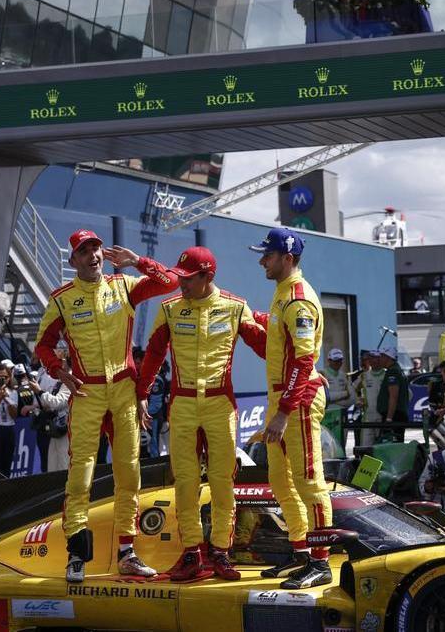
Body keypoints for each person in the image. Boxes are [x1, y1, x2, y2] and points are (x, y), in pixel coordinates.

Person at [33, 229, 177, 582]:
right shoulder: (62, 300)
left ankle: (127, 552)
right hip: (87, 393)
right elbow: (43, 346)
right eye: (85, 251)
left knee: (129, 472)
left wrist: (137, 261)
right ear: (73, 261)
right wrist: (60, 372)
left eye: (96, 248)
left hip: (125, 391)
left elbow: (170, 281)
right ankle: (77, 555)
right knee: (81, 472)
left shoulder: (124, 284)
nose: (93, 255)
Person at [138, 246, 265, 582]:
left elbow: (266, 347)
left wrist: (301, 362)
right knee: (185, 482)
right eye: (179, 278)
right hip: (181, 404)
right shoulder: (169, 308)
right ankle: (192, 552)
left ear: (208, 276)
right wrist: (141, 394)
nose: (182, 285)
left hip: (220, 403)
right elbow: (152, 354)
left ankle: (222, 553)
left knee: (223, 481)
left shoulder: (236, 307)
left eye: (188, 279)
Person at [250, 227, 333, 590]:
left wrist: (284, 412)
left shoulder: (298, 298)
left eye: (267, 254)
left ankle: (321, 562)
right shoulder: (282, 294)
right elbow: (279, 338)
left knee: (309, 483)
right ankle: (301, 552)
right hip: (282, 400)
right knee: (280, 483)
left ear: (287, 258)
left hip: (295, 403)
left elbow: (303, 362)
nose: (261, 260)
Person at [22, 354, 72, 472]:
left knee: (63, 467)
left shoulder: (70, 379)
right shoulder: (60, 379)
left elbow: (57, 402)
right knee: (52, 466)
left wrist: (39, 391)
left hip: (66, 430)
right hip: (55, 429)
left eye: (60, 361)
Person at [374, 347, 409, 443]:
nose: (379, 359)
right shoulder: (397, 370)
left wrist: (389, 419)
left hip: (394, 416)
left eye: (381, 356)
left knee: (392, 444)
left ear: (387, 357)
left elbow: (393, 396)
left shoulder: (393, 372)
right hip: (397, 414)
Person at [0, 363, 18, 476]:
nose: (2, 379)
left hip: (9, 428)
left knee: (7, 463)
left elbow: (14, 415)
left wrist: (6, 399)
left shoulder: (13, 392)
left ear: (9, 378)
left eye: (5, 377)